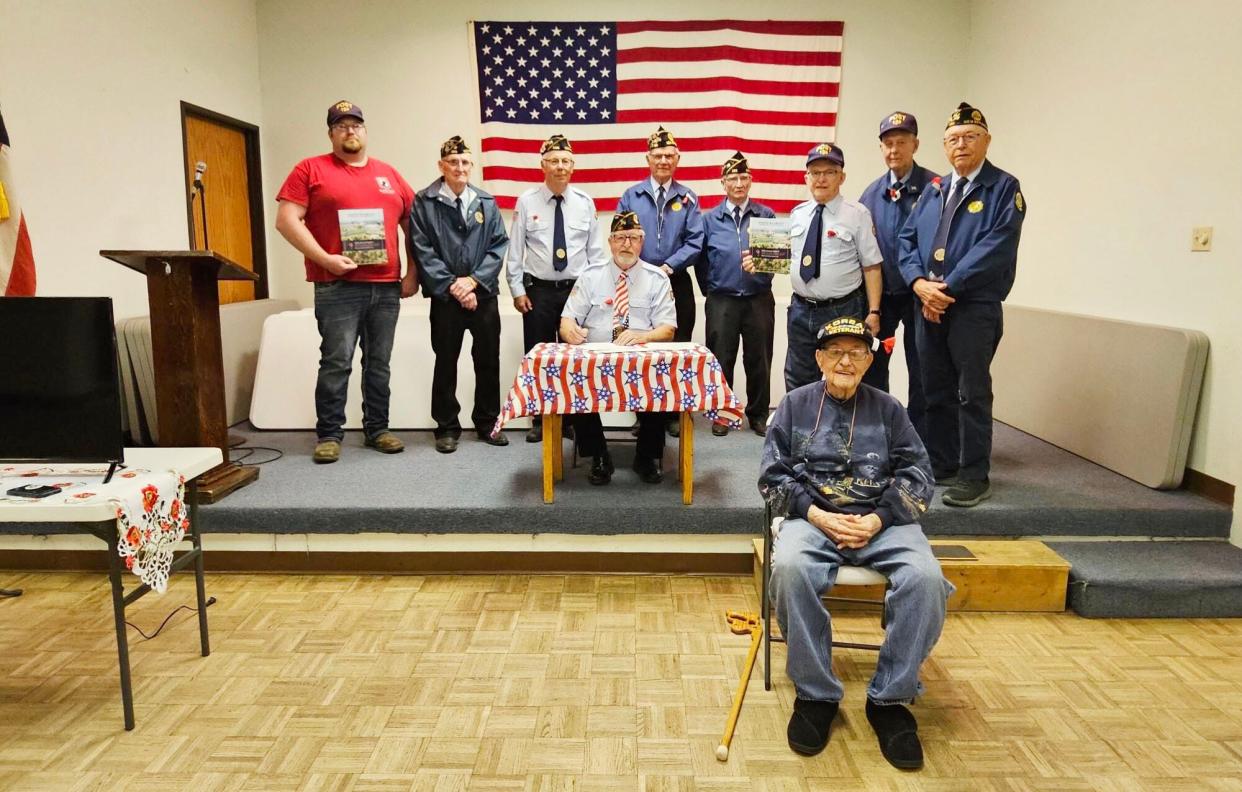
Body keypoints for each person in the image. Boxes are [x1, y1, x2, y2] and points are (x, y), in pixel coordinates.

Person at [759, 316, 951, 768]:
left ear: (869, 360)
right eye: (836, 352)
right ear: (819, 358)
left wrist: (879, 518)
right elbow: (772, 475)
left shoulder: (889, 409)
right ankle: (816, 694)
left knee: (926, 579)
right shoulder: (793, 405)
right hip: (814, 516)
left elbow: (918, 475)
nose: (846, 361)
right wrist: (816, 514)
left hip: (883, 520)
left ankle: (890, 699)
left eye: (857, 353)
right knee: (788, 569)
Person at [898, 102, 1026, 507]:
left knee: (971, 392)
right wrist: (919, 283)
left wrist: (945, 288)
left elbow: (996, 247)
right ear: (943, 146)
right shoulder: (935, 190)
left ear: (986, 141)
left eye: (970, 137)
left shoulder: (1003, 188)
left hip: (972, 308)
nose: (961, 145)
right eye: (953, 139)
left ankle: (975, 475)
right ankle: (943, 462)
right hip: (927, 305)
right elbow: (905, 241)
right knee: (933, 388)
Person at [275, 100, 416, 465]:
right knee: (336, 362)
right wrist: (325, 259)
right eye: (341, 126)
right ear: (331, 133)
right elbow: (286, 220)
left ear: (365, 131)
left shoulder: (389, 174)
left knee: (379, 363)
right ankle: (330, 435)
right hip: (337, 286)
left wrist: (413, 272)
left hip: (386, 287)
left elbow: (414, 225)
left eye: (356, 125)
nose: (349, 131)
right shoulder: (310, 169)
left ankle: (378, 429)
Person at [750, 144, 882, 393]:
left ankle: (840, 431)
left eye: (829, 172)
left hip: (842, 308)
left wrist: (874, 311)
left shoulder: (857, 214)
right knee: (798, 374)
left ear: (841, 177)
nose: (821, 178)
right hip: (801, 308)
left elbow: (872, 266)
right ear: (806, 178)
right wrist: (758, 261)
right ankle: (801, 430)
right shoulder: (797, 214)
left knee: (843, 374)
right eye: (815, 172)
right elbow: (785, 259)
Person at [408, 135, 510, 454]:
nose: (460, 167)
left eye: (465, 162)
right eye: (453, 162)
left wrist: (474, 281)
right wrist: (453, 284)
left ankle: (486, 422)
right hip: (446, 298)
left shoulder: (486, 202)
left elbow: (498, 245)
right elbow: (421, 247)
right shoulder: (424, 202)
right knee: (446, 360)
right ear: (442, 166)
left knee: (487, 361)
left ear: (472, 166)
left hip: (483, 296)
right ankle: (447, 427)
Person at [559, 211, 676, 485]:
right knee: (576, 383)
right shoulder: (590, 276)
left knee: (661, 382)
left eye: (633, 238)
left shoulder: (657, 279)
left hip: (641, 362)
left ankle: (646, 457)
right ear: (610, 242)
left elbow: (668, 328)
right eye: (621, 237)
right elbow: (566, 319)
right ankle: (598, 456)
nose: (627, 244)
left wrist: (642, 335)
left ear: (641, 242)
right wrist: (569, 331)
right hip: (595, 362)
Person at [504, 134, 606, 443]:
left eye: (566, 161)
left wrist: (592, 296)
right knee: (538, 355)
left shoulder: (585, 203)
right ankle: (541, 418)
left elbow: (596, 255)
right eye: (554, 161)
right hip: (539, 292)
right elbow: (516, 250)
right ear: (543, 165)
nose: (560, 167)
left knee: (575, 357)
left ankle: (574, 418)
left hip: (575, 292)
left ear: (573, 166)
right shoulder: (527, 201)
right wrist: (517, 289)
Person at [616, 126, 704, 437]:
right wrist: (641, 267)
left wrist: (668, 266)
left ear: (677, 158)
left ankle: (673, 414)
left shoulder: (688, 197)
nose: (663, 160)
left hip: (676, 281)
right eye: (657, 155)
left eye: (669, 155)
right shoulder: (631, 195)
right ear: (648, 159)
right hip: (638, 283)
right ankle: (645, 416)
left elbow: (696, 241)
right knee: (640, 346)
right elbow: (621, 236)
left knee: (676, 348)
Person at [858, 112, 937, 437]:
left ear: (915, 144)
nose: (894, 150)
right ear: (881, 148)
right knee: (875, 367)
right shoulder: (871, 195)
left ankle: (919, 436)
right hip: (882, 298)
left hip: (920, 296)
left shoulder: (935, 189)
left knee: (923, 368)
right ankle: (879, 432)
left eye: (901, 142)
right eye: (888, 144)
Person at [700, 152, 776, 437]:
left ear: (751, 181)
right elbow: (702, 261)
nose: (739, 183)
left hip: (758, 298)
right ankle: (723, 415)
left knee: (759, 358)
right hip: (722, 299)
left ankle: (757, 414)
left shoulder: (765, 215)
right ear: (723, 183)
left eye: (744, 177)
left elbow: (776, 259)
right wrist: (712, 288)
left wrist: (761, 275)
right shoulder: (710, 220)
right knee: (721, 358)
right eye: (733, 178)